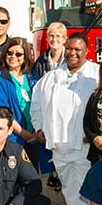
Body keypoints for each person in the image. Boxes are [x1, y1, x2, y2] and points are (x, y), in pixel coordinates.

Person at [31, 33, 101, 205]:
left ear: (86, 51)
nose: (72, 53)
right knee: (69, 188)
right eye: (69, 48)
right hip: (58, 143)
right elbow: (36, 103)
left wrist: (96, 133)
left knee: (91, 188)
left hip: (84, 143)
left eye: (77, 49)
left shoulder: (96, 74)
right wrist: (39, 127)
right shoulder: (52, 76)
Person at [32, 22, 68, 191]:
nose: (55, 40)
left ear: (64, 39)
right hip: (47, 107)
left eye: (58, 36)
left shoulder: (69, 59)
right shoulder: (40, 62)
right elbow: (36, 87)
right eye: (52, 36)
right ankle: (53, 174)